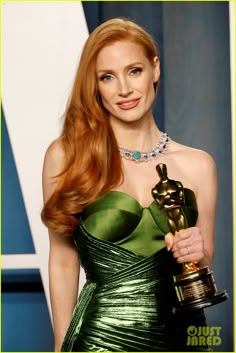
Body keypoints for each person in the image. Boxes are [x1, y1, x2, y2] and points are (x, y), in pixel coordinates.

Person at [41, 18, 217, 352]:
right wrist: (60, 345)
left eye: (134, 71)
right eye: (107, 77)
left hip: (184, 335)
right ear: (96, 87)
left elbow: (203, 260)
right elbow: (63, 259)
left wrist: (199, 251)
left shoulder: (199, 165)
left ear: (155, 69)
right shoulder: (66, 156)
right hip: (100, 339)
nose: (124, 89)